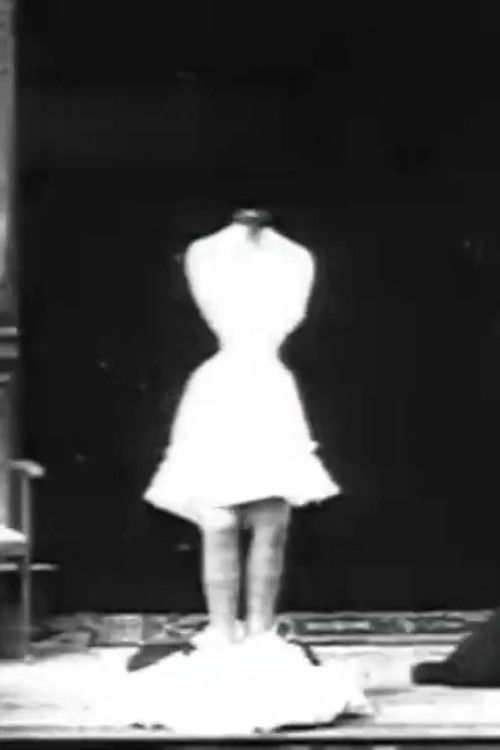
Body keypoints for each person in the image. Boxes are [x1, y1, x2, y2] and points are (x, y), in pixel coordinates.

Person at [145, 208, 339, 647]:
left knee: (272, 518)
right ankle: (221, 628)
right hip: (221, 391)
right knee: (218, 518)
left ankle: (260, 629)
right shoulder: (205, 252)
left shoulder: (295, 258)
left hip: (270, 392)